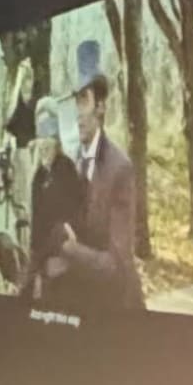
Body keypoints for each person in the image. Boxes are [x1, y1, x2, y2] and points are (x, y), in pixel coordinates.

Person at [39, 52, 142, 311]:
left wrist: (66, 249)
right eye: (74, 103)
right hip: (81, 302)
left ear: (100, 107)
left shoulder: (120, 169)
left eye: (83, 101)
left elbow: (116, 266)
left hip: (117, 310)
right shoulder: (71, 164)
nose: (76, 114)